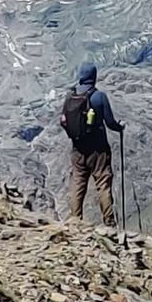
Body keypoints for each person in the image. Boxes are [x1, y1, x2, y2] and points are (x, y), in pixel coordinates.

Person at [60, 62, 121, 224]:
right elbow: (110, 122)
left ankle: (75, 220)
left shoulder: (70, 96)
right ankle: (109, 222)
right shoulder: (99, 96)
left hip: (78, 149)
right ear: (94, 77)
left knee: (78, 184)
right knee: (103, 184)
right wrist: (119, 128)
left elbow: (64, 120)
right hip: (98, 151)